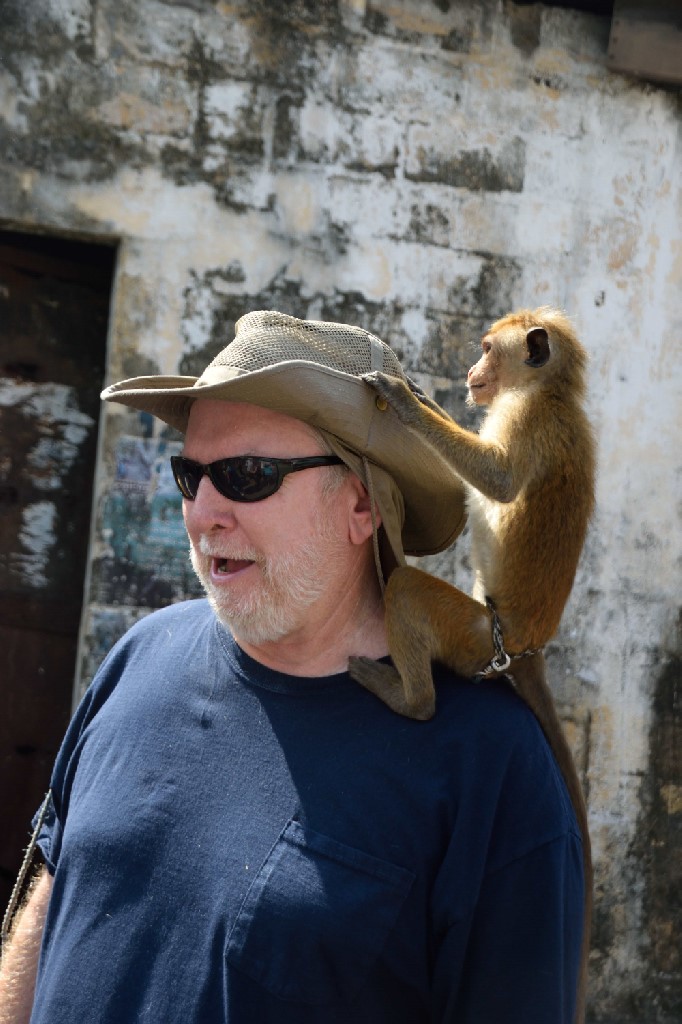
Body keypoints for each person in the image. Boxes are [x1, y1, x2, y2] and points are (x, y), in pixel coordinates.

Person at [0, 311, 585, 1023]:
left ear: (362, 503)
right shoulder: (139, 655)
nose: (203, 513)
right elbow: (47, 905)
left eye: (247, 476)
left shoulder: (495, 770)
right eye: (190, 475)